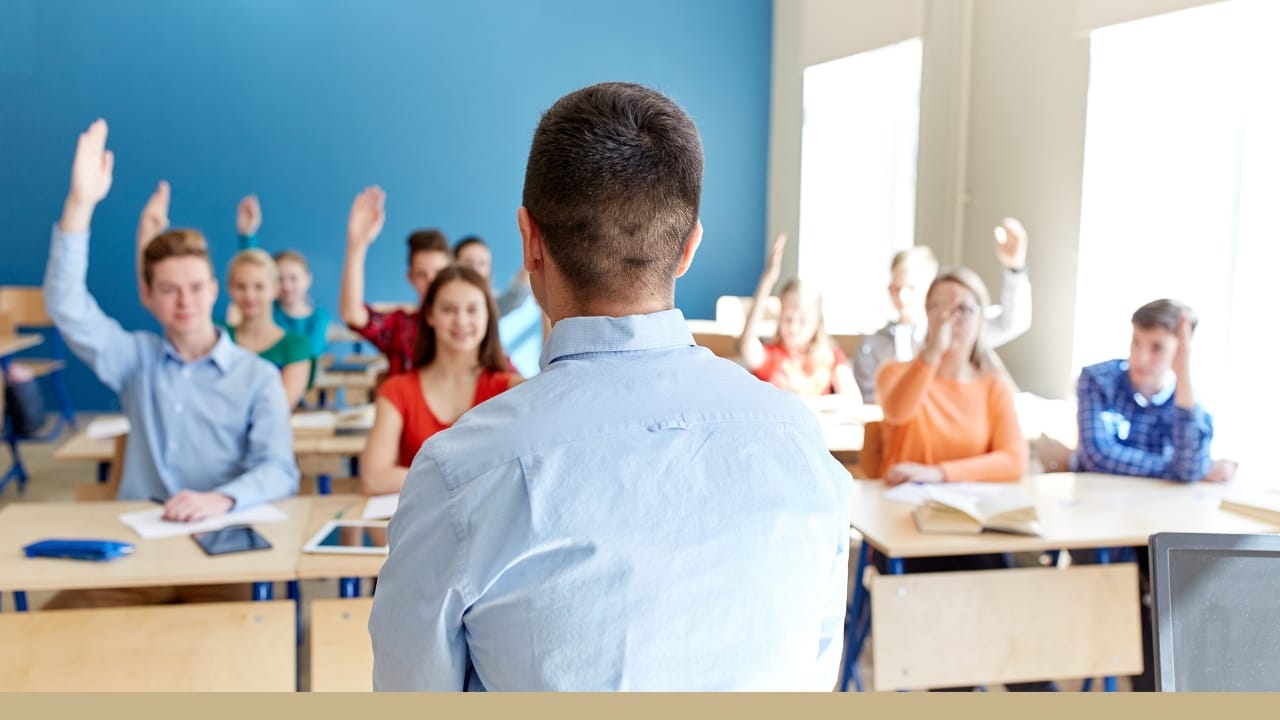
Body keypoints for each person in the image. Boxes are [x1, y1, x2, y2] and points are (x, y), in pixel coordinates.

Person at [369, 83, 851, 691]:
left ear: (529, 242)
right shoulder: (800, 442)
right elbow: (816, 671)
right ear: (688, 248)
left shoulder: (460, 473)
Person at [42, 121, 296, 607]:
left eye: (197, 287)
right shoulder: (134, 359)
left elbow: (278, 470)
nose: (185, 301)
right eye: (169, 289)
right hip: (138, 552)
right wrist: (80, 204)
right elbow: (66, 304)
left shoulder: (256, 376)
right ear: (148, 297)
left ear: (215, 292)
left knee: (240, 657)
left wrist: (221, 498)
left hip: (223, 552)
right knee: (55, 629)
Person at [360, 265, 521, 496]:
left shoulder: (510, 390)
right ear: (429, 315)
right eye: (448, 310)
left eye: (472, 309)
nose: (461, 321)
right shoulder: (397, 391)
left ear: (488, 315)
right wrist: (472, 478)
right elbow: (375, 478)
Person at [1037, 299, 1234, 483]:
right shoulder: (1097, 380)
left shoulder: (1189, 398)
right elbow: (1098, 457)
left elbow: (1191, 468)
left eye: (1157, 348)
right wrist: (1176, 471)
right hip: (1095, 502)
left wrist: (1184, 374)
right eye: (1136, 342)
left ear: (1181, 351)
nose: (1140, 358)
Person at [874, 267, 1026, 485]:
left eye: (963, 309)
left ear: (981, 320)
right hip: (901, 503)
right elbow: (897, 411)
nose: (949, 318)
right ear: (926, 314)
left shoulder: (993, 387)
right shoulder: (893, 373)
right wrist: (932, 353)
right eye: (938, 307)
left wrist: (940, 473)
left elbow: (1015, 460)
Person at [854, 219, 1033, 403]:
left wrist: (1015, 268)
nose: (902, 297)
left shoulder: (958, 329)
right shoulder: (874, 346)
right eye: (896, 288)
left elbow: (1013, 322)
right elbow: (871, 403)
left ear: (932, 288)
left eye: (911, 288)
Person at [340, 189, 451, 375]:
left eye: (439, 272)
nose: (432, 281)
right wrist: (357, 245)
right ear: (410, 278)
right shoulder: (401, 328)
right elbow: (352, 314)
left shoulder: (469, 325)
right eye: (422, 274)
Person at [738, 232, 854, 396]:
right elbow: (746, 345)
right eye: (787, 318)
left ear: (817, 323)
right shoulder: (771, 356)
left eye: (803, 321)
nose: (793, 326)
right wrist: (767, 280)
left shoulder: (831, 357)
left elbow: (852, 399)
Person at [234, 195, 331, 358]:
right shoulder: (268, 310)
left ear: (307, 279)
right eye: (280, 279)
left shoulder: (319, 317)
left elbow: (310, 351)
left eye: (293, 278)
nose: (286, 286)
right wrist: (248, 234)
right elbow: (251, 271)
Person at [222, 249, 314, 408]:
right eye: (240, 287)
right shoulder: (217, 337)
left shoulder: (295, 345)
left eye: (259, 287)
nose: (249, 295)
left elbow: (278, 409)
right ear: (229, 289)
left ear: (275, 289)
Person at [453, 235, 534, 317]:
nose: (475, 269)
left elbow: (515, 296)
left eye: (482, 263)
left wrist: (532, 252)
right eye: (468, 262)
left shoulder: (491, 304)